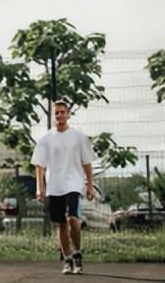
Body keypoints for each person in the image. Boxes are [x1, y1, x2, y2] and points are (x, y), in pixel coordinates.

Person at [32, 99, 95, 275]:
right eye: (57, 113)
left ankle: (77, 253)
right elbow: (40, 165)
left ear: (68, 114)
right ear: (54, 116)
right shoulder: (45, 139)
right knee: (60, 223)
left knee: (72, 219)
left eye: (62, 112)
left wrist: (89, 184)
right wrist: (40, 187)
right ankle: (67, 259)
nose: (60, 115)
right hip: (55, 185)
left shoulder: (78, 136)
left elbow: (87, 162)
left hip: (74, 183)